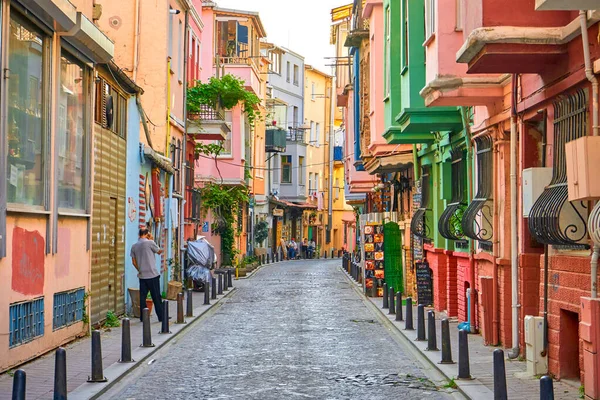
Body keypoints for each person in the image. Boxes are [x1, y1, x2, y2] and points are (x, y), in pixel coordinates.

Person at [131, 228, 164, 322]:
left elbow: (133, 262)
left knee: (142, 297)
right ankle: (161, 317)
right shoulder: (150, 243)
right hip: (152, 274)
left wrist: (140, 269)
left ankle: (143, 318)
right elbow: (159, 251)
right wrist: (152, 239)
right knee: (156, 296)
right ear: (146, 234)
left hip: (142, 276)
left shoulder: (134, 246)